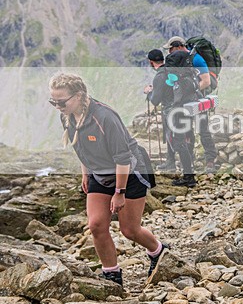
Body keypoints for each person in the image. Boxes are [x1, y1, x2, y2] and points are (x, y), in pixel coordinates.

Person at [49, 73, 168, 288]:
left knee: (129, 230)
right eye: (53, 101)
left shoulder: (104, 117)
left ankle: (159, 251)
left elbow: (122, 157)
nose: (57, 106)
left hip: (130, 173)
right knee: (96, 225)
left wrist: (119, 192)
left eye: (61, 101)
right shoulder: (67, 116)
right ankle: (111, 275)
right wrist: (85, 173)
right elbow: (82, 147)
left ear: (78, 96)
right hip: (98, 174)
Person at [162, 36, 218, 172]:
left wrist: (190, 91)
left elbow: (206, 81)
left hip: (198, 100)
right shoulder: (180, 60)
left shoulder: (196, 59)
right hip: (185, 102)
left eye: (170, 49)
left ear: (178, 46)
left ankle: (210, 160)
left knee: (203, 130)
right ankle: (189, 160)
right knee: (188, 130)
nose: (169, 52)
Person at [143, 49, 176, 172]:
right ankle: (175, 162)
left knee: (170, 136)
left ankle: (172, 163)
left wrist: (149, 92)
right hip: (180, 107)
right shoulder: (170, 70)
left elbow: (155, 101)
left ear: (151, 62)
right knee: (178, 136)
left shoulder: (159, 76)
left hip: (169, 109)